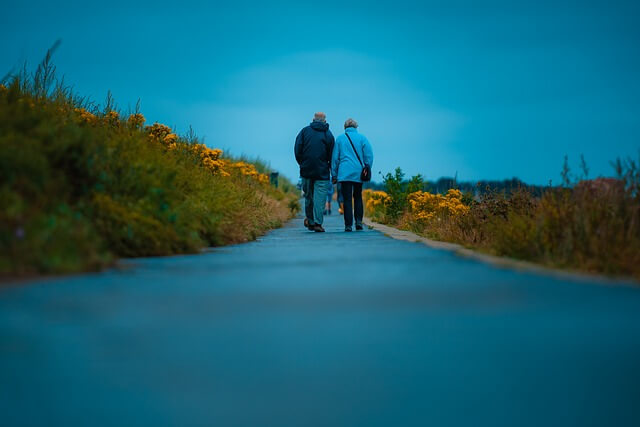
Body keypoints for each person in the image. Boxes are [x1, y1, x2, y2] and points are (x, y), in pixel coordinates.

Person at [295, 112, 335, 232]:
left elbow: (297, 149)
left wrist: (302, 163)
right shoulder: (328, 134)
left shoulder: (304, 132)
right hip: (322, 172)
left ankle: (310, 221)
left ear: (313, 119)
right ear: (325, 120)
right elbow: (332, 154)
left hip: (306, 170)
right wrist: (329, 167)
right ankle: (318, 223)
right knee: (320, 198)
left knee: (309, 197)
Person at [331, 118, 373, 231]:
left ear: (345, 127)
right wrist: (367, 167)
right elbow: (369, 155)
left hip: (344, 173)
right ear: (356, 127)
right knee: (358, 197)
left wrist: (334, 174)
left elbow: (335, 158)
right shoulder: (362, 138)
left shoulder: (340, 139)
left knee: (347, 199)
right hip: (358, 172)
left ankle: (348, 225)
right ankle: (359, 222)